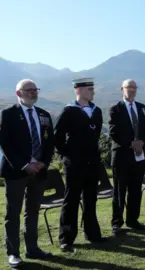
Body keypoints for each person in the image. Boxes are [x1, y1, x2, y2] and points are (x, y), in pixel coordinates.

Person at [0, 79, 54, 267]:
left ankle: (32, 248)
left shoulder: (44, 115)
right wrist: (24, 165)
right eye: (29, 90)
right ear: (18, 94)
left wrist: (43, 163)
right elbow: (5, 145)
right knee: (13, 214)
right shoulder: (8, 114)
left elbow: (49, 143)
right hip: (16, 172)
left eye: (35, 90)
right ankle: (13, 253)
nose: (33, 93)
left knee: (33, 212)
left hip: (39, 172)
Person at [54, 78, 106, 252]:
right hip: (74, 164)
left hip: (92, 162)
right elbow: (58, 137)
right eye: (90, 89)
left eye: (93, 89)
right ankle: (67, 238)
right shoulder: (69, 111)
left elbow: (95, 135)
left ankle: (92, 234)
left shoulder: (96, 111)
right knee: (71, 199)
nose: (93, 92)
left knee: (91, 198)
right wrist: (67, 156)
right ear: (79, 91)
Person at [108, 79, 145, 235]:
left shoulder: (143, 108)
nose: (133, 90)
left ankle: (133, 220)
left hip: (140, 155)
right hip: (122, 156)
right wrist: (131, 143)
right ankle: (117, 223)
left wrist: (142, 142)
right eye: (129, 87)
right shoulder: (115, 109)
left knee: (136, 190)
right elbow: (114, 132)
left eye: (135, 87)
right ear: (122, 89)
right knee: (120, 191)